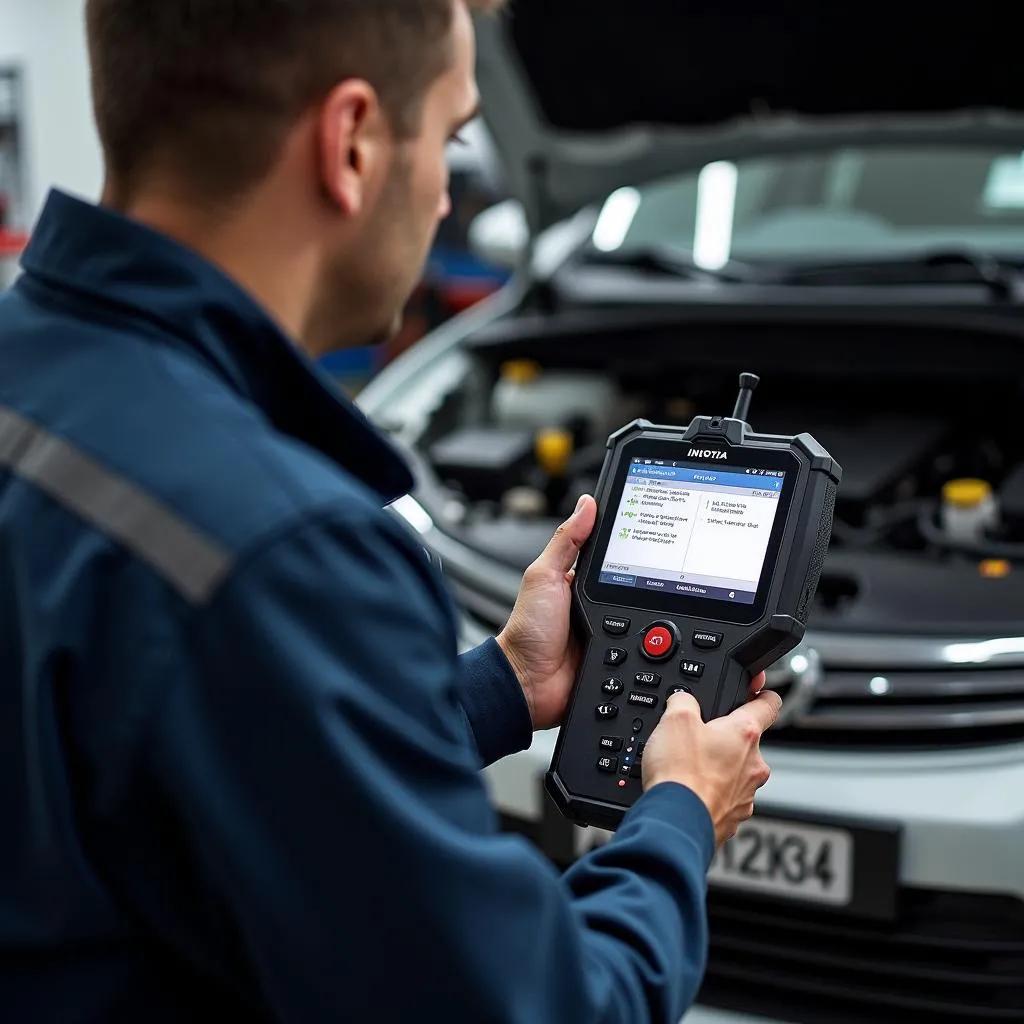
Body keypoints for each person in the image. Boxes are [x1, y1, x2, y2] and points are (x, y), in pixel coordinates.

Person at [0, 1, 782, 1022]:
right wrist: (681, 813)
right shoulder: (279, 551)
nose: (447, 198)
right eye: (452, 138)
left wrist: (503, 685)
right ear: (353, 142)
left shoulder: (30, 366)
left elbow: (211, 755)